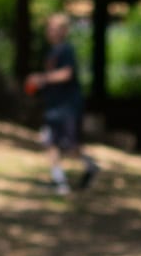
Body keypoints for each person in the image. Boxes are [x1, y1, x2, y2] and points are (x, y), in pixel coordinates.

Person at [24, 13, 99, 196]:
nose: (50, 31)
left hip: (67, 107)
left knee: (70, 146)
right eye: (49, 28)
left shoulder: (66, 50)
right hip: (54, 106)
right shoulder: (52, 52)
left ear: (64, 31)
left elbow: (66, 74)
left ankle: (91, 167)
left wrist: (42, 78)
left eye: (55, 28)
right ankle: (60, 182)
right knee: (49, 142)